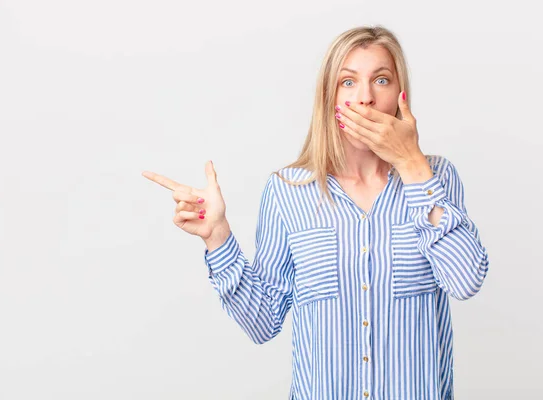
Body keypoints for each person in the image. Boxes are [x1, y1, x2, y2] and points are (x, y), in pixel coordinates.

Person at [143, 25, 489, 400]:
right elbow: (263, 323)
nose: (366, 99)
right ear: (329, 97)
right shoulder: (288, 192)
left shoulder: (436, 178)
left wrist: (412, 163)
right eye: (348, 83)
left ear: (400, 96)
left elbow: (465, 280)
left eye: (382, 80)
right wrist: (217, 237)